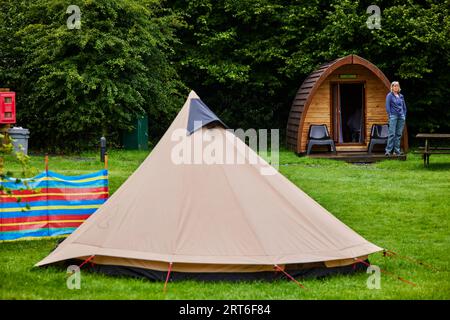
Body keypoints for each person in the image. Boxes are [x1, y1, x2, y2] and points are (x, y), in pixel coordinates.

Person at [385, 81, 407, 156]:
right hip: (393, 116)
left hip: (401, 117)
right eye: (394, 86)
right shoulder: (389, 95)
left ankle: (397, 151)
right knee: (392, 134)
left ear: (399, 87)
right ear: (392, 87)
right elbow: (387, 106)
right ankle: (388, 151)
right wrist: (390, 115)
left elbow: (404, 107)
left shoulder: (401, 96)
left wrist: (404, 115)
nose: (396, 87)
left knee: (398, 134)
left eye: (397, 86)